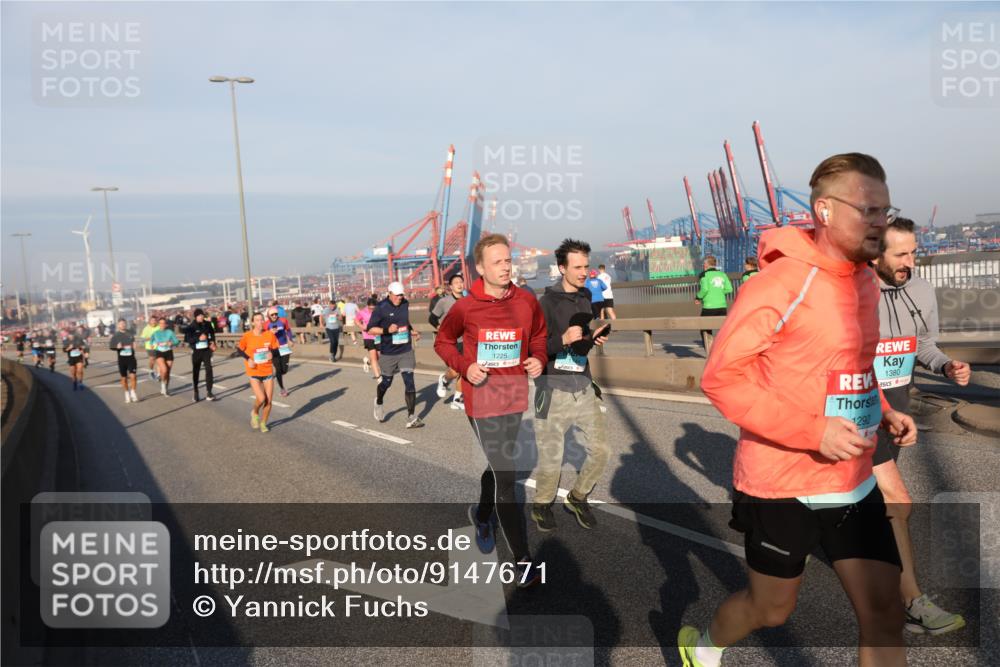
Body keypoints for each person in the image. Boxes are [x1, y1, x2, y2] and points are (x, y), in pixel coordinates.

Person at [679, 153, 917, 667]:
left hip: (853, 480)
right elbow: (721, 378)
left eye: (886, 210)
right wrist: (814, 432)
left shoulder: (864, 281)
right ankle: (703, 647)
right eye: (869, 210)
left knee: (884, 613)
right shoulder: (780, 283)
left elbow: (852, 364)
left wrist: (881, 408)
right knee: (770, 610)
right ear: (825, 211)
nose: (881, 222)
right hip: (782, 484)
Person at [872, 216, 971, 635]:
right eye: (901, 254)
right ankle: (912, 601)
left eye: (914, 252)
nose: (910, 262)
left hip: (896, 413)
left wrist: (946, 365)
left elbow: (923, 344)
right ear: (874, 254)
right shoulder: (852, 294)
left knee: (865, 500)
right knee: (895, 500)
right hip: (855, 412)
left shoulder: (922, 290)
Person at [434, 233, 547, 586]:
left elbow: (539, 336)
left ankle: (482, 515)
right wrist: (464, 366)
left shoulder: (526, 301)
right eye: (497, 262)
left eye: (508, 260)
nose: (505, 267)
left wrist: (539, 358)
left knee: (501, 467)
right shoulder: (466, 307)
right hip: (480, 398)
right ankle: (523, 561)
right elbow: (442, 341)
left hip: (514, 395)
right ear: (480, 269)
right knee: (507, 477)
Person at [532, 239, 611, 532]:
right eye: (577, 267)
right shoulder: (546, 303)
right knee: (551, 460)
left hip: (583, 387)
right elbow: (534, 347)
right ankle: (541, 505)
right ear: (562, 268)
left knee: (602, 451)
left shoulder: (585, 297)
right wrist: (562, 340)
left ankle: (577, 497)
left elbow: (582, 339)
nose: (583, 272)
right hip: (553, 390)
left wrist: (594, 337)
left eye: (586, 266)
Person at [367, 281, 423, 428]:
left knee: (409, 381)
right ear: (389, 293)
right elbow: (370, 329)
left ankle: (411, 417)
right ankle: (379, 401)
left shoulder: (405, 303)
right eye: (397, 295)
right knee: (386, 382)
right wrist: (387, 330)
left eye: (401, 295)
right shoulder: (381, 308)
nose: (400, 297)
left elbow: (404, 321)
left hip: (406, 350)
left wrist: (412, 330)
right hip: (388, 352)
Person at [236, 312, 280, 433]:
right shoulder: (247, 336)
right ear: (252, 322)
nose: (260, 322)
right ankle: (254, 412)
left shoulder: (269, 335)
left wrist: (272, 354)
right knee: (261, 398)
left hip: (267, 371)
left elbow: (277, 350)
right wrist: (248, 359)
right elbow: (239, 350)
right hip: (254, 371)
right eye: (257, 320)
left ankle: (263, 422)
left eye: (261, 320)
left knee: (268, 401)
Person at [432, 273, 466, 410]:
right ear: (451, 287)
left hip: (465, 341)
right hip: (450, 342)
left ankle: (457, 399)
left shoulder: (468, 301)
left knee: (463, 370)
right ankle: (444, 380)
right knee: (455, 371)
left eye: (461, 282)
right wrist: (440, 328)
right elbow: (432, 318)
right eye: (456, 282)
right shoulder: (444, 301)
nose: (459, 284)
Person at [696, 255, 733, 350]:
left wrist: (698, 297)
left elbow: (704, 289)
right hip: (722, 306)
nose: (703, 265)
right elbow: (729, 289)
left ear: (706, 265)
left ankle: (710, 351)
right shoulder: (723, 274)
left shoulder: (704, 275)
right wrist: (719, 292)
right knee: (723, 329)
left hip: (709, 307)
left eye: (704, 264)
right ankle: (725, 349)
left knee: (705, 329)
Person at [185, 308, 217, 402]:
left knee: (209, 369)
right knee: (196, 372)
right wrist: (198, 338)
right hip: (196, 351)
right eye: (199, 315)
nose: (201, 317)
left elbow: (212, 333)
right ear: (196, 317)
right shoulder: (191, 326)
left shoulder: (207, 324)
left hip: (206, 351)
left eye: (202, 315)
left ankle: (209, 392)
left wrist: (212, 343)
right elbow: (188, 340)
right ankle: (196, 392)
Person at [265, 307, 294, 397]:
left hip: (284, 347)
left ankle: (279, 375)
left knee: (284, 370)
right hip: (273, 349)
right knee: (278, 369)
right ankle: (282, 389)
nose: (274, 316)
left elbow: (288, 330)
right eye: (272, 315)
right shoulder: (266, 324)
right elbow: (263, 336)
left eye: (276, 314)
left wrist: (290, 340)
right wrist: (270, 333)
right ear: (269, 316)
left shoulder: (283, 320)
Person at [109, 318, 139, 403]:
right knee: (124, 378)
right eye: (121, 324)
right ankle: (126, 393)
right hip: (122, 359)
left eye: (124, 323)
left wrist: (134, 344)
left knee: (133, 376)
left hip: (131, 358)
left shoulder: (130, 333)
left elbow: (133, 341)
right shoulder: (116, 335)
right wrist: (117, 347)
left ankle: (133, 392)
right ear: (118, 325)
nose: (123, 325)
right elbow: (111, 346)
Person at [149, 317, 181, 396]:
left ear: (166, 324)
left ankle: (166, 388)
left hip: (168, 352)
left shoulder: (170, 332)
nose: (162, 325)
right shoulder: (156, 333)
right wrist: (152, 345)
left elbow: (177, 341)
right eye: (160, 323)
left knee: (168, 372)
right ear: (158, 324)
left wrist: (172, 343)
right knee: (164, 369)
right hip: (159, 352)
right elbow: (151, 341)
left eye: (164, 323)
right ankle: (163, 386)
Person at [356, 297, 381, 379]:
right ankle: (378, 376)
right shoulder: (362, 312)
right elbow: (356, 320)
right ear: (367, 306)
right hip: (368, 337)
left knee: (379, 355)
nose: (372, 310)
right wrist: (361, 326)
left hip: (378, 336)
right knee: (373, 356)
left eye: (373, 308)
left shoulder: (379, 311)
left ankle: (368, 362)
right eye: (370, 308)